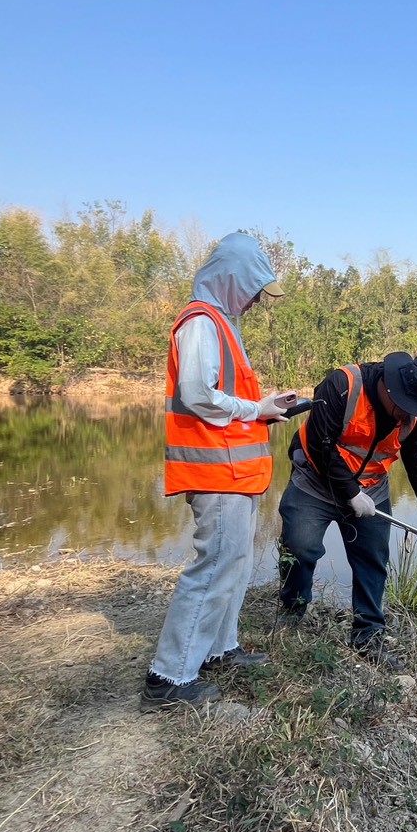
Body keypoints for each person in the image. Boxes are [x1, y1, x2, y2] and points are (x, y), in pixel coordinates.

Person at [142, 231, 299, 712]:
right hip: (217, 474)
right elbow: (197, 393)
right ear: (233, 279)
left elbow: (225, 399)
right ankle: (168, 678)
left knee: (235, 564)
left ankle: (218, 649)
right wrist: (256, 409)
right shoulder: (201, 322)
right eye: (253, 289)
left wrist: (265, 408)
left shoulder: (221, 324)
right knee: (212, 567)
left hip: (236, 474)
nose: (255, 301)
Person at [275, 352, 417, 670]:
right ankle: (291, 614)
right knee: (300, 548)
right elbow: (322, 442)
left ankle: (368, 639)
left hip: (371, 489)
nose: (407, 417)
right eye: (405, 407)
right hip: (315, 480)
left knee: (373, 561)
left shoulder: (412, 415)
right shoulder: (343, 385)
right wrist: (349, 493)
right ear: (389, 389)